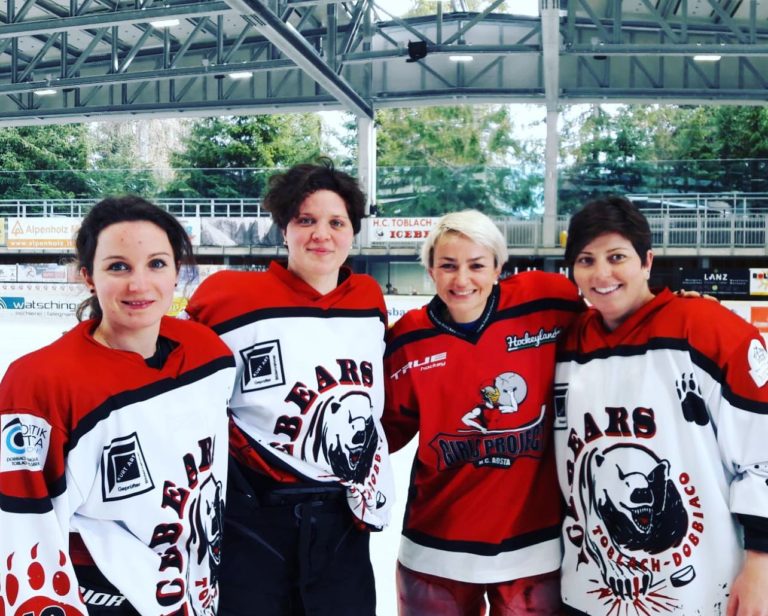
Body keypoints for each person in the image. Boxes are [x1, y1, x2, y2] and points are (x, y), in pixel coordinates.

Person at [0, 196, 235, 616]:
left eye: (157, 264)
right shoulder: (38, 381)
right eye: (118, 267)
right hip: (98, 598)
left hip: (192, 588)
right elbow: (21, 521)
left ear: (178, 272)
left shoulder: (209, 352)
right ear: (88, 276)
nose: (139, 285)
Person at [183, 159, 394, 616]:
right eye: (305, 220)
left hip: (342, 522)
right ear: (284, 229)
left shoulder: (368, 299)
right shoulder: (227, 296)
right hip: (254, 520)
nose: (322, 234)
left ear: (353, 232)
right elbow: (173, 381)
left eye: (336, 222)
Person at [554, 196, 768, 616]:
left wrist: (761, 564)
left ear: (647, 261)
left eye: (617, 257)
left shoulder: (709, 330)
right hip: (587, 594)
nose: (601, 274)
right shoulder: (566, 342)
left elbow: (762, 455)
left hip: (703, 595)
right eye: (585, 260)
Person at [383, 210, 583, 615]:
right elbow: (385, 431)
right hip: (435, 547)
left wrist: (675, 310)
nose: (462, 280)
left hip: (533, 546)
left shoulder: (546, 302)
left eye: (476, 265)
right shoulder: (407, 340)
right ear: (430, 271)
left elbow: (610, 327)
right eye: (448, 266)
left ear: (497, 268)